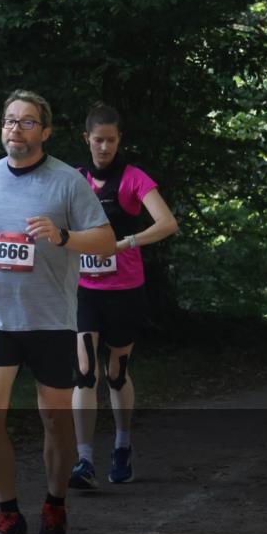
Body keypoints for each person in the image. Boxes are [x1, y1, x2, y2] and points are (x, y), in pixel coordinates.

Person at [0, 90, 114, 534]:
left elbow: (105, 240)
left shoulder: (67, 181)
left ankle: (54, 506)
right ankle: (8, 515)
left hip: (50, 319)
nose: (15, 129)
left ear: (45, 131)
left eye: (27, 122)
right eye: (10, 121)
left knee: (54, 419)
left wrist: (62, 236)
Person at [69, 103, 178, 488]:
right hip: (84, 290)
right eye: (98, 140)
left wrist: (126, 242)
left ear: (119, 141)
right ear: (86, 139)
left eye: (111, 141)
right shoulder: (74, 179)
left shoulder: (133, 178)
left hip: (125, 291)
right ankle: (83, 459)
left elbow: (167, 223)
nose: (104, 147)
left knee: (116, 374)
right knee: (85, 372)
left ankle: (122, 445)